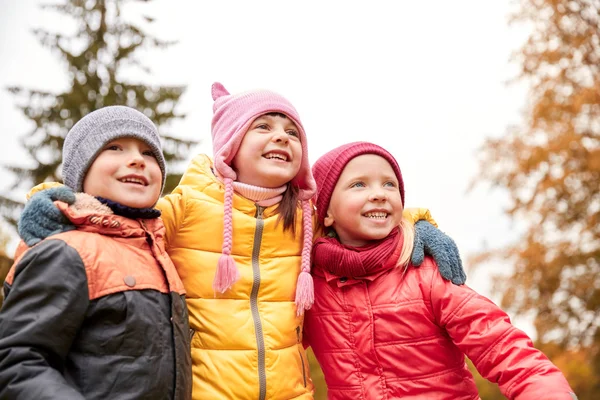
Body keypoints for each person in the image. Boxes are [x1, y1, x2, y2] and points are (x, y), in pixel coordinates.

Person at [16, 83, 465, 399]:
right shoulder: (187, 205)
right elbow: (118, 224)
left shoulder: (304, 218)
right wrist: (50, 202)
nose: (281, 138)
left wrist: (417, 224)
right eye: (264, 127)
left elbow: (363, 217)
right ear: (230, 144)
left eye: (292, 132)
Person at [303, 141, 577, 400]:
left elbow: (499, 344)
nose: (379, 193)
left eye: (390, 184)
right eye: (358, 184)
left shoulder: (426, 272)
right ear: (327, 212)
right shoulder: (311, 286)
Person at [0, 106, 192, 400]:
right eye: (114, 147)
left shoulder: (160, 256)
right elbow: (17, 362)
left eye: (148, 153)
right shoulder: (66, 250)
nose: (136, 160)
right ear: (82, 171)